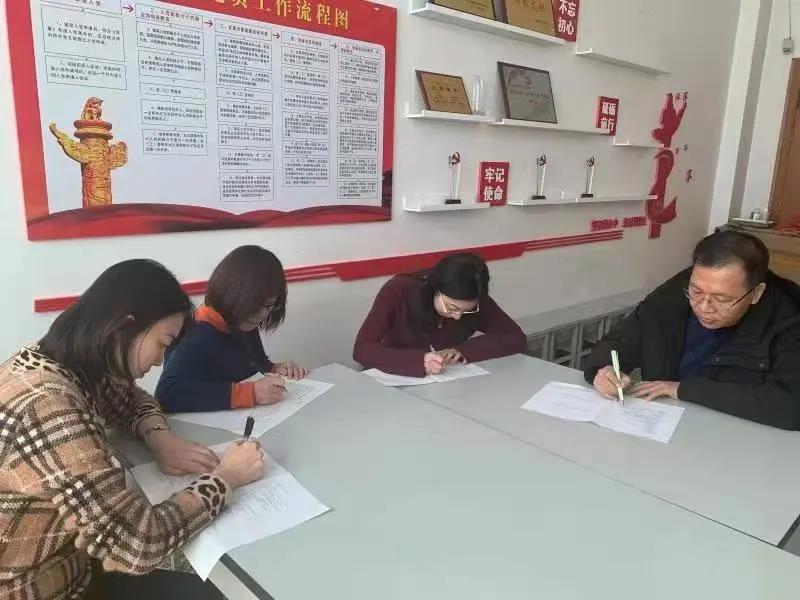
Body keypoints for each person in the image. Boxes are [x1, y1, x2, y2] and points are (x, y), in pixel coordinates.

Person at [0, 259, 265, 600]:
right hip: (43, 586)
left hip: (69, 561)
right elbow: (136, 544)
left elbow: (131, 399)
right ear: (125, 325)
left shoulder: (57, 363)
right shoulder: (48, 406)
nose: (159, 361)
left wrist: (160, 437)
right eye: (163, 343)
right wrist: (225, 479)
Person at [584, 230, 800, 430]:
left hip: (737, 436)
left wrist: (681, 389)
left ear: (756, 293)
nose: (703, 308)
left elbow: (791, 406)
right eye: (696, 292)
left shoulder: (789, 319)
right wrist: (603, 370)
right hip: (658, 423)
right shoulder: (671, 295)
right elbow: (615, 344)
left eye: (722, 299)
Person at [157, 246, 307, 413]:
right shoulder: (197, 333)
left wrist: (275, 369)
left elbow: (257, 364)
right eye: (254, 303)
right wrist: (249, 393)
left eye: (269, 305)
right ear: (231, 293)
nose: (262, 314)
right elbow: (166, 394)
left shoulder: (243, 321)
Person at [353, 252, 526, 377]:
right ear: (435, 289)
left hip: (449, 385)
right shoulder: (399, 291)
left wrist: (462, 351)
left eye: (467, 310)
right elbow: (362, 349)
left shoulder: (474, 297)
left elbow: (515, 337)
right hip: (397, 380)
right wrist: (418, 361)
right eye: (452, 307)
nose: (458, 316)